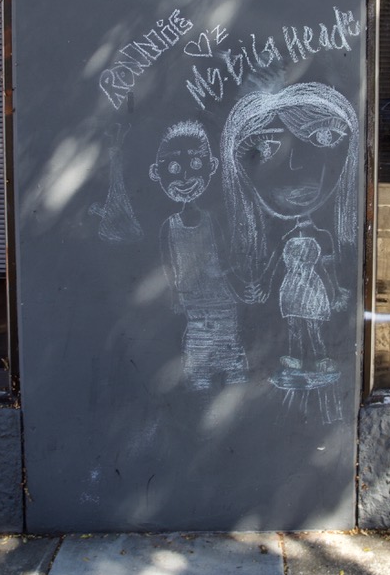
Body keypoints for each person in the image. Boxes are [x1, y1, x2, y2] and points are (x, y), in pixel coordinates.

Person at [220, 83, 359, 376]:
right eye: (262, 148)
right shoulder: (278, 237)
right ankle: (298, 356)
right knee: (297, 325)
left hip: (313, 290)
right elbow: (273, 267)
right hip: (292, 291)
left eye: (324, 136)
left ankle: (319, 356)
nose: (295, 166)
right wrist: (260, 286)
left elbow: (329, 267)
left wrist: (337, 294)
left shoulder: (327, 236)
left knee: (312, 325)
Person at [151, 120, 248, 390]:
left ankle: (231, 375)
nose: (184, 178)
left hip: (220, 296)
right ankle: (201, 381)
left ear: (211, 166)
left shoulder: (210, 220)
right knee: (198, 340)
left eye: (195, 166)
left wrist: (231, 279)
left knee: (227, 337)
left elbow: (223, 255)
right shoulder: (168, 226)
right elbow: (168, 264)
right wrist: (174, 294)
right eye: (173, 168)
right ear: (156, 173)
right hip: (192, 297)